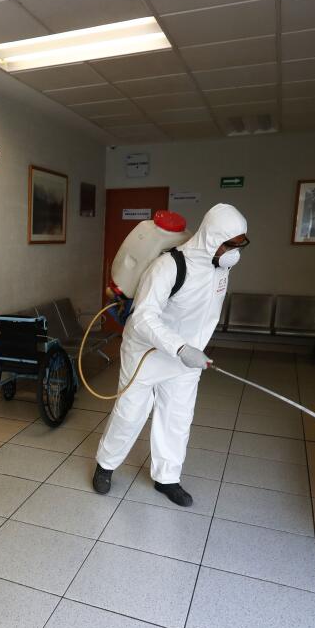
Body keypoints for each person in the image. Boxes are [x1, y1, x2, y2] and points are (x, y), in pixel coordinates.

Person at [92, 204, 249, 506]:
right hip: (147, 354)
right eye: (230, 244)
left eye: (240, 245)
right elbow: (143, 317)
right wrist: (180, 347)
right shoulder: (170, 266)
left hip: (187, 360)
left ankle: (167, 478)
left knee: (176, 419)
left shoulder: (222, 267)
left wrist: (192, 351)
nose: (234, 252)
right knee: (130, 413)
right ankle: (106, 465)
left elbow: (204, 313)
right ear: (211, 237)